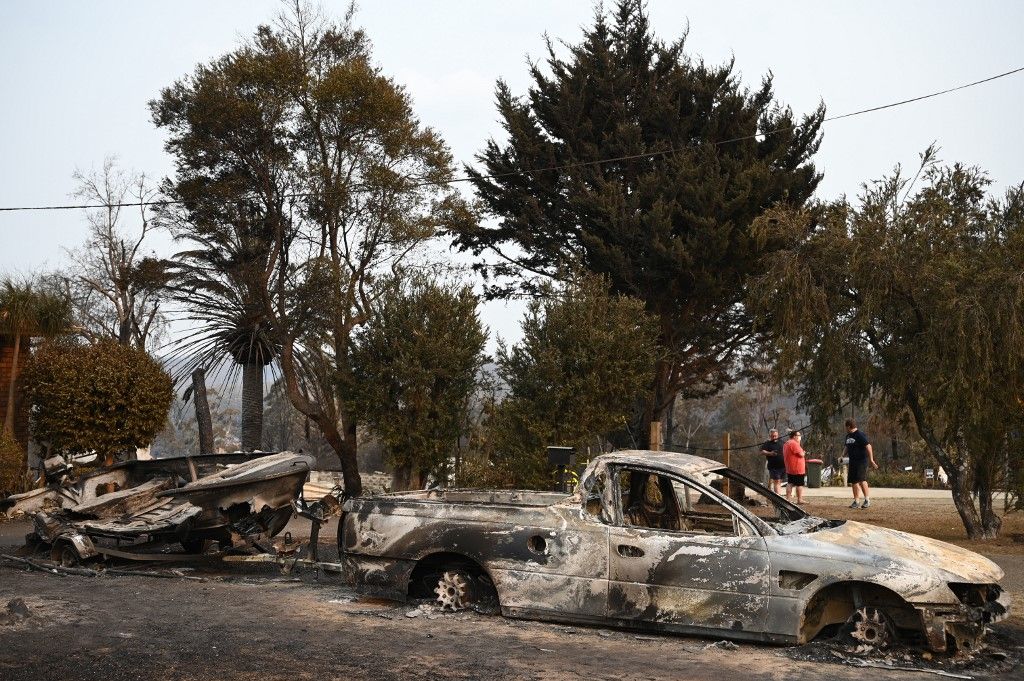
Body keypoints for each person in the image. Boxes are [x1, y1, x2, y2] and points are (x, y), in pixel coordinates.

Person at [844, 418, 878, 508]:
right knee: (853, 481)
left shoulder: (859, 434)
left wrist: (871, 460)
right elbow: (847, 447)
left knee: (862, 480)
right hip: (852, 462)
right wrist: (842, 455)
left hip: (861, 461)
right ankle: (856, 501)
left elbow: (868, 446)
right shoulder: (848, 436)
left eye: (846, 427)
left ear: (848, 426)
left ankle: (867, 500)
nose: (845, 429)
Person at [783, 430, 808, 505]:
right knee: (799, 484)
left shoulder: (786, 443)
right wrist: (803, 452)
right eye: (798, 435)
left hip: (790, 468)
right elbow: (801, 454)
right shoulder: (794, 443)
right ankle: (799, 499)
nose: (800, 437)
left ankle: (788, 499)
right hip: (797, 468)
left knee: (790, 483)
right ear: (794, 436)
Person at [759, 429, 785, 494]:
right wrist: (770, 453)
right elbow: (762, 451)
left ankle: (778, 496)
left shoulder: (782, 442)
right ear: (770, 436)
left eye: (775, 436)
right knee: (777, 481)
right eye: (773, 436)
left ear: (778, 435)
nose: (774, 437)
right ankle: (779, 498)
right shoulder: (767, 443)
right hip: (773, 466)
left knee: (779, 482)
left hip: (783, 466)